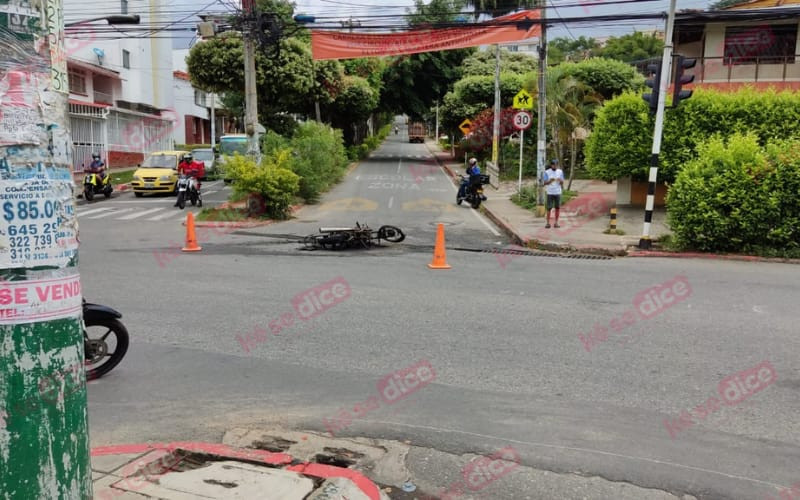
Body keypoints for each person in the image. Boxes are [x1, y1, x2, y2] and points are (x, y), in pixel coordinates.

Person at [543, 158, 565, 228]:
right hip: (550, 192)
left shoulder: (560, 172)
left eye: (556, 165)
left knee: (557, 208)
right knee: (549, 208)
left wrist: (560, 180)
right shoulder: (547, 172)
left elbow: (562, 182)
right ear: (551, 165)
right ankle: (548, 223)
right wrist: (549, 181)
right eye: (553, 165)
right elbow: (544, 183)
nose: (555, 166)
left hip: (558, 192)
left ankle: (556, 223)